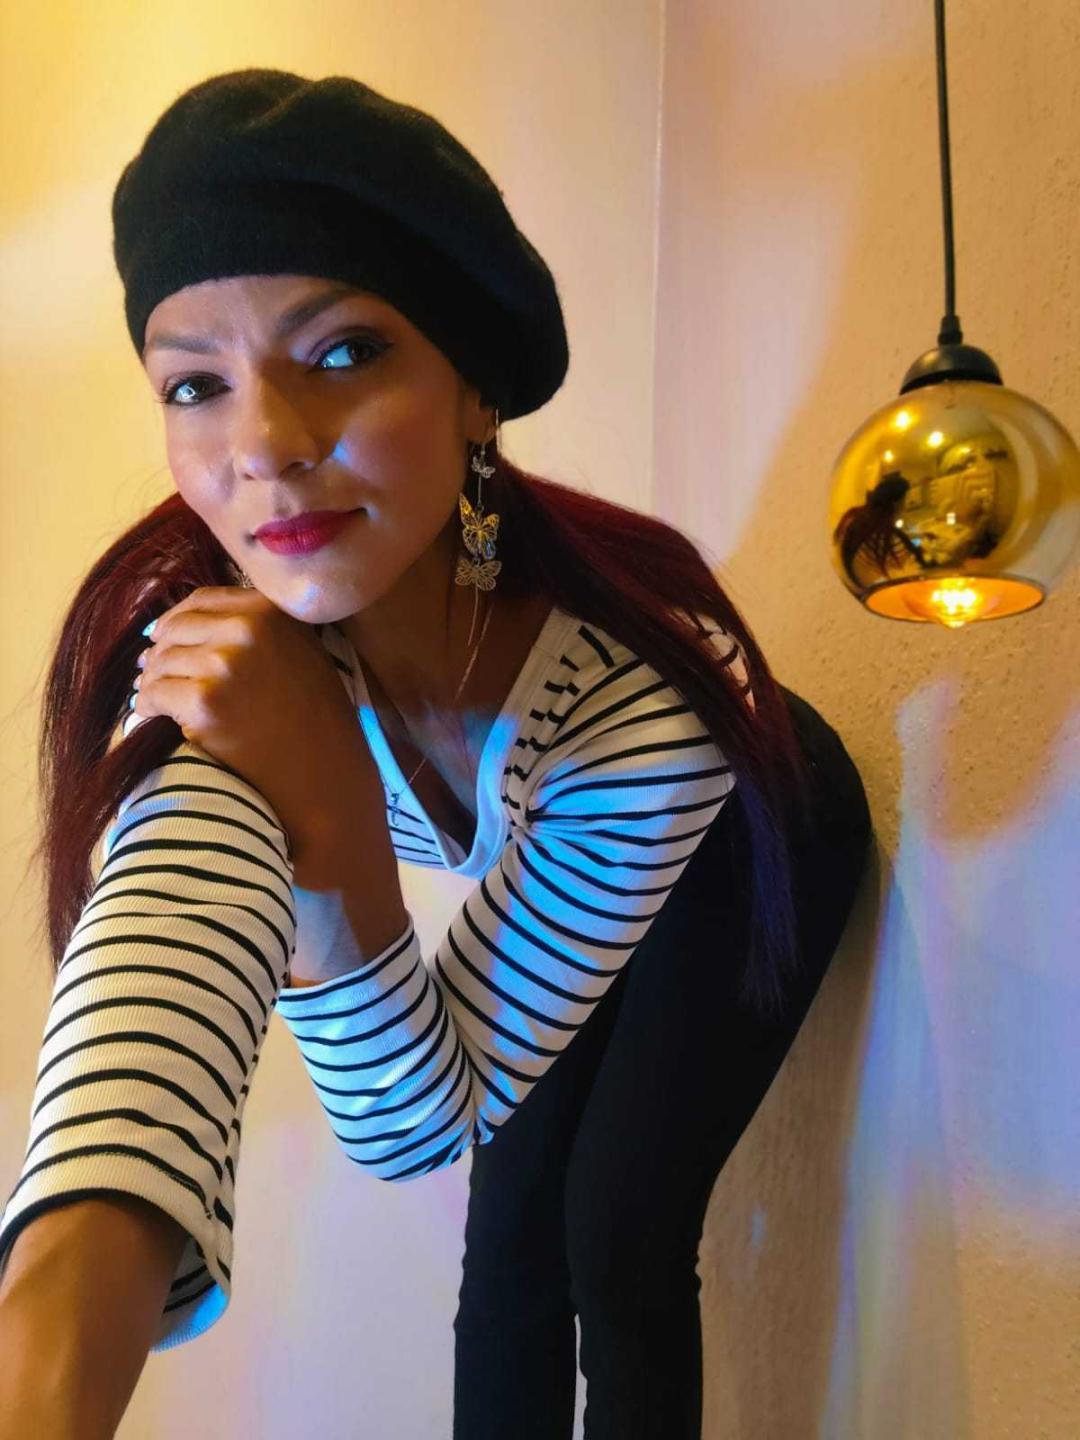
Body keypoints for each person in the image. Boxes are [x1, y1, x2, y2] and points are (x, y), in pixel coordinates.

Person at [0, 69, 873, 1440]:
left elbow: (413, 1118)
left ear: (475, 391)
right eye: (196, 383)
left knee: (618, 1234)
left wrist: (340, 828)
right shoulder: (222, 662)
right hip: (571, 852)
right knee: (508, 1239)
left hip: (758, 816)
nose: (264, 447)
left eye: (343, 351)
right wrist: (53, 1309)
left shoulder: (642, 717)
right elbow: (162, 957)